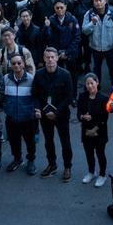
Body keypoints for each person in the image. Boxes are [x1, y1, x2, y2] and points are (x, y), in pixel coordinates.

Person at [32, 47, 75, 181]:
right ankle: (52, 164)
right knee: (48, 141)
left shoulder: (65, 74)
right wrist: (40, 109)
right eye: (47, 57)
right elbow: (35, 95)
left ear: (57, 58)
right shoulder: (38, 74)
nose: (50, 60)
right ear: (44, 59)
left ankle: (67, 166)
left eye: (52, 57)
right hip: (45, 114)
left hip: (61, 114)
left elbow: (69, 97)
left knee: (65, 141)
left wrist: (56, 112)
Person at [77, 73, 111, 186]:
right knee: (89, 153)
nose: (90, 86)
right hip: (86, 131)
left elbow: (104, 118)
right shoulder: (82, 97)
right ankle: (91, 172)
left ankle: (102, 175)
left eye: (92, 83)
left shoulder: (103, 98)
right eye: (87, 83)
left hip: (99, 131)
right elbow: (78, 113)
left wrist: (94, 128)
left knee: (100, 153)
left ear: (97, 82)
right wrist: (82, 117)